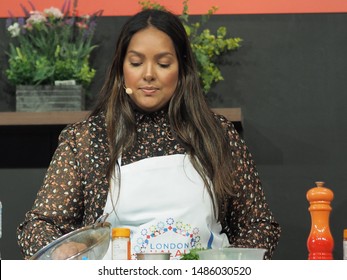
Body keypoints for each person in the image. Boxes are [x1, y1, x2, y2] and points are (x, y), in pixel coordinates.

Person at [17, 9, 281, 260]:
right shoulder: (87, 139)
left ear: (183, 69)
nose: (149, 75)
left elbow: (257, 226)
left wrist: (231, 267)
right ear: (121, 70)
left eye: (163, 63)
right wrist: (62, 252)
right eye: (136, 62)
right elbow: (39, 226)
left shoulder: (217, 135)